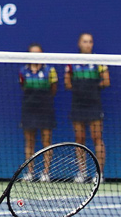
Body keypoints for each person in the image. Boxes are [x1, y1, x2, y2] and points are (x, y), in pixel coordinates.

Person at [64, 32, 106, 177]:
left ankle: (99, 174)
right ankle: (82, 173)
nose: (87, 44)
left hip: (94, 105)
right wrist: (79, 89)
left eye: (90, 42)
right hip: (78, 105)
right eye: (85, 41)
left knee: (97, 138)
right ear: (79, 44)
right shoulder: (72, 62)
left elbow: (106, 81)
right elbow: (67, 83)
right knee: (79, 139)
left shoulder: (98, 61)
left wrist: (91, 88)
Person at [19, 44, 58, 180]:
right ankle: (30, 173)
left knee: (46, 140)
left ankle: (46, 173)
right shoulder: (23, 71)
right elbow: (23, 87)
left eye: (38, 53)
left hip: (45, 109)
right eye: (32, 53)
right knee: (29, 141)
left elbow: (53, 89)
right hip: (29, 109)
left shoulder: (49, 70)